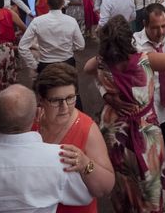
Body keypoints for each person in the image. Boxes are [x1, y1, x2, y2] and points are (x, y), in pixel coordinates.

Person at [85, 14, 165, 213]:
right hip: (142, 128)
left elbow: (87, 69)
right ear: (129, 38)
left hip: (113, 128)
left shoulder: (103, 60)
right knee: (149, 179)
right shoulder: (144, 60)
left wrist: (107, 94)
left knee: (123, 178)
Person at [32, 63, 115, 213]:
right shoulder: (30, 122)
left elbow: (106, 187)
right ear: (41, 100)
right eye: (56, 100)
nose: (65, 107)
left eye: (70, 98)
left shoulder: (87, 129)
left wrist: (85, 164)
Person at [19, 0, 85, 104]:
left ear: (47, 3)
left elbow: (22, 46)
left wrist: (34, 65)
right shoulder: (71, 21)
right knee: (71, 97)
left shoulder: (38, 22)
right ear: (62, 3)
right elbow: (81, 45)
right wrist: (68, 48)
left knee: (48, 100)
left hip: (46, 65)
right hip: (67, 64)